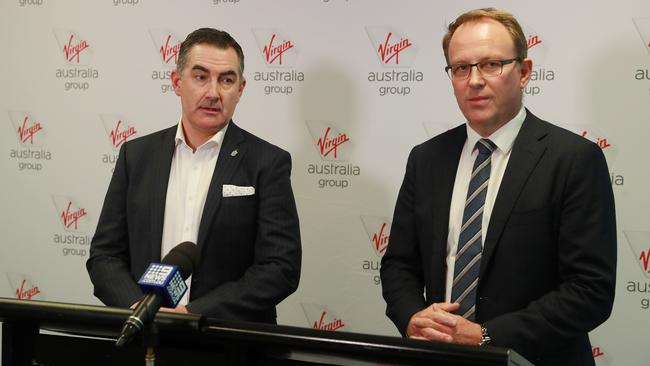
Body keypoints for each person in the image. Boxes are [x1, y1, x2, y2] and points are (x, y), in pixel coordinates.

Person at [380, 8, 616, 365]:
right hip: (439, 357)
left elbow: (590, 290)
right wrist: (413, 317)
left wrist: (486, 337)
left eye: (491, 64)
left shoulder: (574, 159)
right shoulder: (426, 158)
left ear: (524, 72)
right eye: (461, 67)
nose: (474, 80)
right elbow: (398, 264)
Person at [87, 28, 301, 323]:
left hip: (228, 341)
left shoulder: (267, 162)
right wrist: (140, 309)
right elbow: (105, 256)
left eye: (226, 80)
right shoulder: (136, 156)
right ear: (177, 82)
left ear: (240, 89)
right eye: (200, 77)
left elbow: (280, 267)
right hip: (147, 335)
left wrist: (193, 314)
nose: (213, 93)